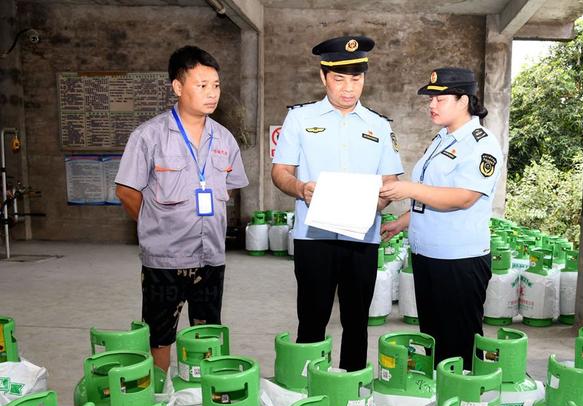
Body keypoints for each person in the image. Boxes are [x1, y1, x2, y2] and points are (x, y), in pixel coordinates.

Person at [271, 35, 403, 372]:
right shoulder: (299, 119)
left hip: (362, 238)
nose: (348, 88)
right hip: (313, 238)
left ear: (364, 78)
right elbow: (280, 172)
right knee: (312, 320)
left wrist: (377, 202)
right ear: (323, 77)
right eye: (339, 79)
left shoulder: (378, 125)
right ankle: (308, 390)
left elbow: (391, 182)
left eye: (356, 79)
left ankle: (351, 392)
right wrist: (301, 188)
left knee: (357, 323)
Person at [115, 45, 248, 371]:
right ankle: (159, 399)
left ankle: (200, 395)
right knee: (160, 336)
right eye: (201, 85)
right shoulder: (149, 137)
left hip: (211, 257)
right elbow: (126, 190)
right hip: (164, 260)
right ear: (177, 87)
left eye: (215, 85)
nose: (211, 93)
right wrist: (155, 225)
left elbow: (227, 188)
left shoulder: (225, 140)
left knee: (206, 334)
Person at [380, 67, 503, 368]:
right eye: (430, 100)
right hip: (427, 256)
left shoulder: (480, 144)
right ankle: (441, 401)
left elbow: (463, 197)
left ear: (464, 101)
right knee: (434, 339)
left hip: (459, 261)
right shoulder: (441, 139)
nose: (431, 106)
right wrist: (402, 222)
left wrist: (408, 188)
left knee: (459, 342)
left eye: (440, 99)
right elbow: (432, 195)